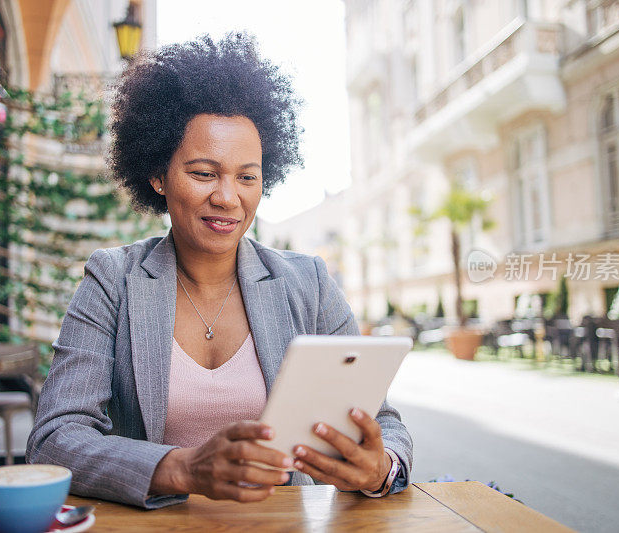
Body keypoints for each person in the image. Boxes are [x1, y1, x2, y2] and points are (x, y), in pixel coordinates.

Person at [26, 33, 412, 509]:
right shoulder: (113, 281)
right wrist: (181, 468)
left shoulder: (307, 281)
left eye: (247, 176)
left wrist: (381, 468)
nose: (228, 197)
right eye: (205, 173)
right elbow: (54, 439)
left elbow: (383, 422)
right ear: (157, 175)